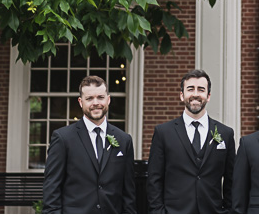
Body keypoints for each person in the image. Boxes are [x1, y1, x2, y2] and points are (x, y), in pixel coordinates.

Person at [42, 75, 136, 213]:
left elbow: (129, 193)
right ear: (81, 102)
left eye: (100, 97)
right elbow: (52, 189)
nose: (96, 102)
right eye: (89, 98)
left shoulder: (124, 140)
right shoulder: (63, 138)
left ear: (108, 99)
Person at [147, 70, 236, 213]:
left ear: (208, 96)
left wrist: (228, 212)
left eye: (201, 90)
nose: (195, 94)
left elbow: (232, 181)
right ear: (182, 95)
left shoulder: (225, 133)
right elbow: (154, 179)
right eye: (190, 89)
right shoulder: (163, 133)